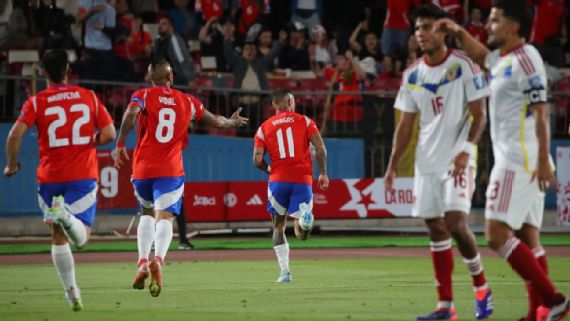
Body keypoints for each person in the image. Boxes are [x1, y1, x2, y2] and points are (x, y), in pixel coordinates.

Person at [435, 1, 570, 320]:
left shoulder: (526, 60)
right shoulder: (504, 59)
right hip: (522, 159)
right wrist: (456, 31)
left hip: (518, 161)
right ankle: (537, 312)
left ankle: (553, 299)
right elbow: (482, 55)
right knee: (528, 239)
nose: (489, 26)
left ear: (512, 27)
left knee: (495, 234)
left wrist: (539, 161)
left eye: (494, 21)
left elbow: (542, 112)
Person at [384, 5, 492, 320]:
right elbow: (405, 125)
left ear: (442, 31)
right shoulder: (412, 74)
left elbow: (479, 114)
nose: (422, 33)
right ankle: (446, 306)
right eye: (418, 29)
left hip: (458, 158)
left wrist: (467, 148)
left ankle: (481, 288)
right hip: (426, 163)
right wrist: (392, 164)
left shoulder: (465, 65)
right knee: (435, 229)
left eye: (428, 27)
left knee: (456, 223)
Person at [113, 60, 248, 297]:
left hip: (143, 169)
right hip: (170, 169)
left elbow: (131, 113)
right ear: (171, 78)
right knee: (164, 217)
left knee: (145, 213)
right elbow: (216, 121)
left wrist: (121, 142)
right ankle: (159, 261)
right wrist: (232, 122)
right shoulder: (187, 100)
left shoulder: (142, 95)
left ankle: (142, 262)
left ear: (149, 77)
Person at [3, 50, 116, 310]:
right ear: (68, 71)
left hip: (50, 178)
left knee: (57, 235)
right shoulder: (88, 97)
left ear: (42, 72)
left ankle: (72, 292)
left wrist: (11, 166)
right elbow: (109, 133)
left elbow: (13, 136)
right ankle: (64, 215)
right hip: (82, 175)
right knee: (81, 239)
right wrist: (90, 142)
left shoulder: (35, 102)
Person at [253, 89, 329, 282]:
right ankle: (304, 219)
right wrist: (323, 172)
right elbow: (320, 148)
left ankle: (285, 272)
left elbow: (256, 159)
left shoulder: (264, 127)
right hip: (302, 180)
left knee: (278, 227)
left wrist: (268, 168)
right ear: (290, 101)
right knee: (302, 235)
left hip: (278, 180)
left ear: (274, 105)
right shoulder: (305, 121)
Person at [152, 17, 196, 88]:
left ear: (171, 26)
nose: (160, 26)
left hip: (176, 80)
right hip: (161, 80)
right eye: (159, 24)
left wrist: (190, 79)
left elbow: (183, 60)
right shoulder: (157, 40)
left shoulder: (174, 39)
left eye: (163, 24)